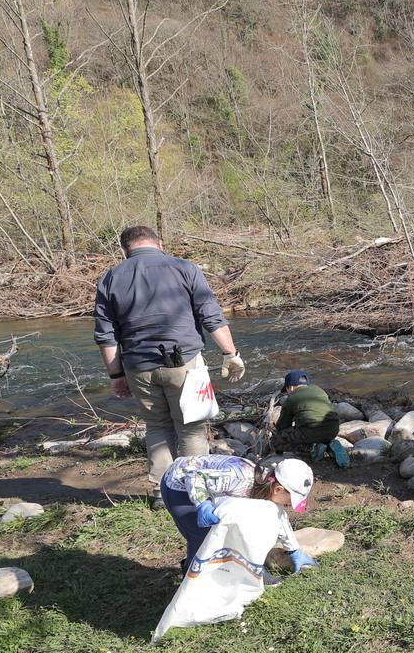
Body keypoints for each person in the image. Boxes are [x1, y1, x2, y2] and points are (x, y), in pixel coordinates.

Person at [93, 225, 246, 488]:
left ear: (125, 250)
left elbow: (106, 336)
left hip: (138, 366)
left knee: (156, 427)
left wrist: (116, 376)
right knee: (191, 427)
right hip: (184, 363)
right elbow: (211, 316)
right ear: (159, 244)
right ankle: (195, 490)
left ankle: (163, 492)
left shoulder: (109, 279)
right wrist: (230, 353)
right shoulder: (185, 268)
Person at [159, 454, 317, 579]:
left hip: (206, 485)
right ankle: (193, 578)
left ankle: (235, 573)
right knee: (202, 538)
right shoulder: (240, 477)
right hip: (179, 485)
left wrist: (293, 550)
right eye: (290, 501)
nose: (290, 505)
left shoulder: (268, 486)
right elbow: (195, 477)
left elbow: (279, 517)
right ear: (278, 490)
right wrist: (202, 504)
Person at [273, 369, 348, 467]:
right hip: (333, 429)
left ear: (290, 387)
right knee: (314, 431)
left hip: (311, 431)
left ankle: (311, 448)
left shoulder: (291, 398)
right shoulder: (319, 391)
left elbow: (283, 425)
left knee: (276, 440)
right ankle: (329, 445)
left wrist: (278, 446)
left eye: (286, 389)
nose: (287, 392)